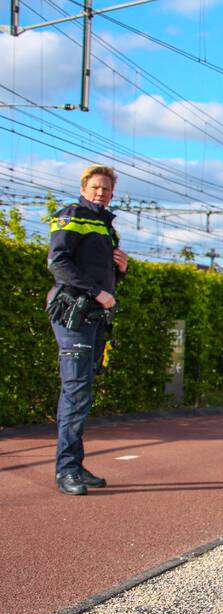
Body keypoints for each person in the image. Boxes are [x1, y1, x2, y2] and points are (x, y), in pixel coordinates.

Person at [46, 164, 128, 496]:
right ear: (83, 188)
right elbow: (58, 262)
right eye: (95, 187)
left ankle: (75, 465)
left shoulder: (106, 226)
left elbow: (101, 273)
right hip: (73, 313)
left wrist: (120, 269)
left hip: (94, 315)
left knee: (82, 391)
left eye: (106, 189)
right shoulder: (72, 215)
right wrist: (96, 292)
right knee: (76, 390)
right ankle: (66, 470)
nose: (101, 193)